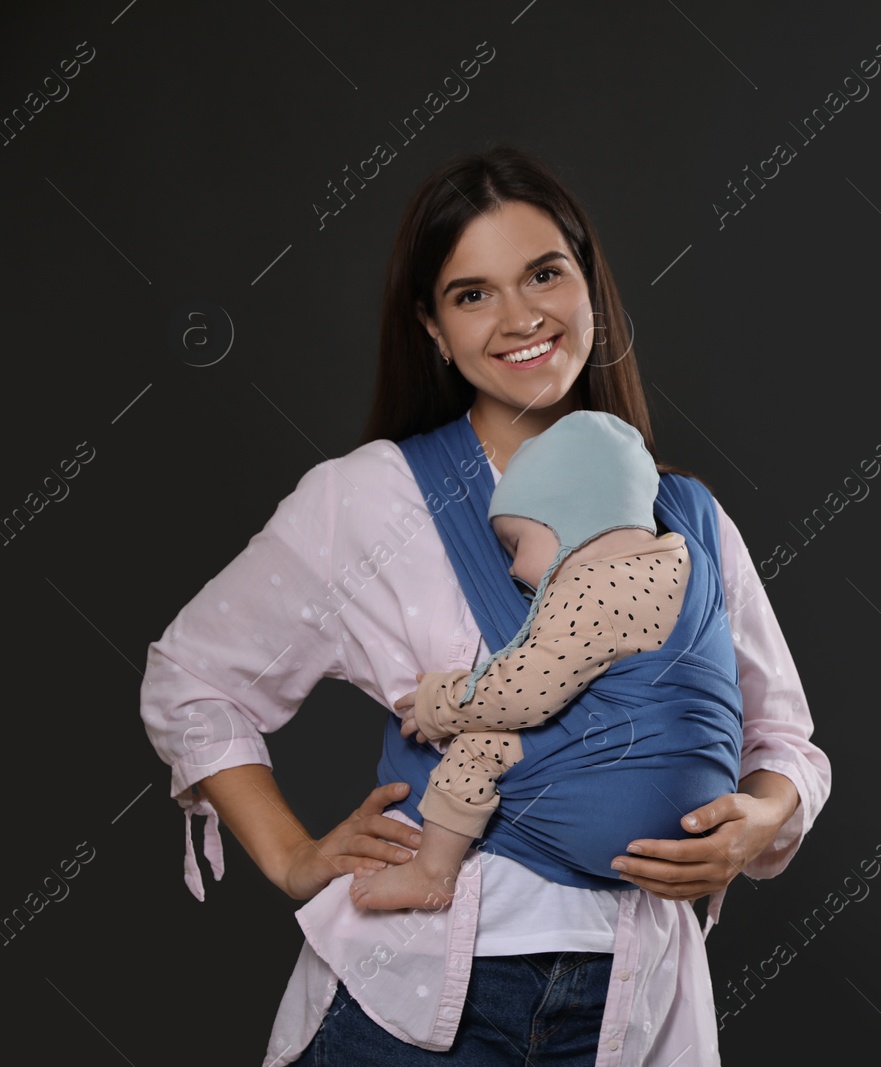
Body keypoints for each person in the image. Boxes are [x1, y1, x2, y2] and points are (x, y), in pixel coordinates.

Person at [139, 144, 830, 1066]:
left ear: (590, 284)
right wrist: (293, 856)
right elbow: (192, 676)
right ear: (431, 325)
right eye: (473, 294)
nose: (520, 318)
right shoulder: (369, 498)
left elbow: (784, 741)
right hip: (412, 1003)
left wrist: (756, 821)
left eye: (544, 273)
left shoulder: (685, 516)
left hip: (629, 1011)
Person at [349, 409, 706, 913]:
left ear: (568, 518)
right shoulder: (681, 558)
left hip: (608, 816)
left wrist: (442, 705)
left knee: (480, 742)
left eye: (516, 543)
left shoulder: (590, 588)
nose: (513, 567)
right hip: (692, 804)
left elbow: (524, 694)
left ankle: (432, 873)